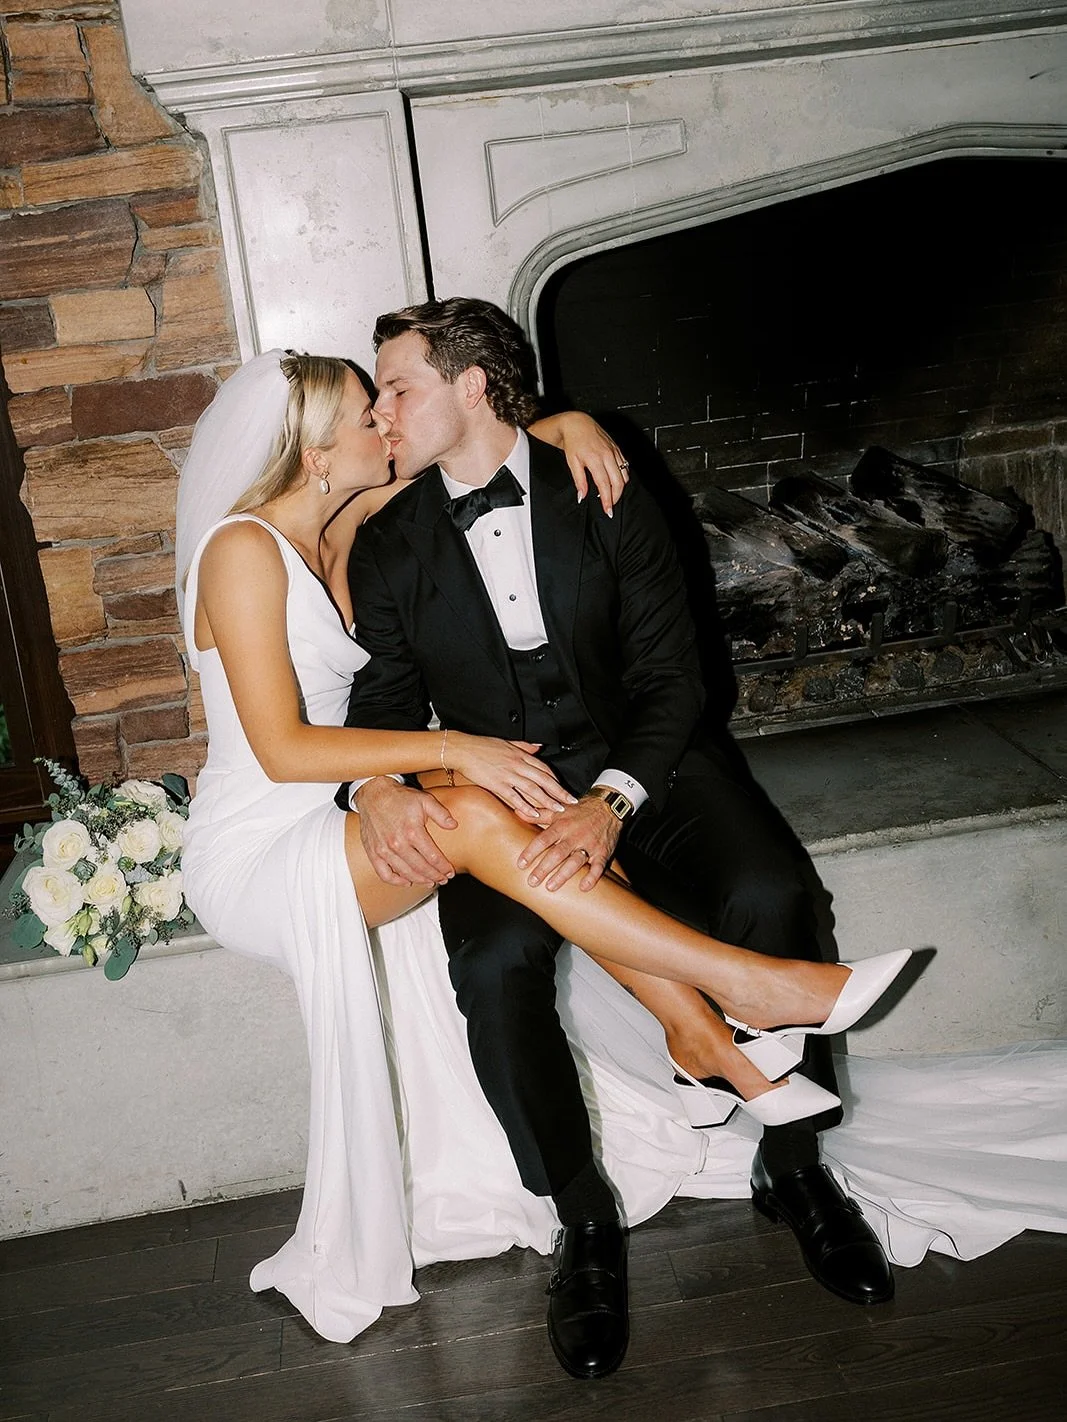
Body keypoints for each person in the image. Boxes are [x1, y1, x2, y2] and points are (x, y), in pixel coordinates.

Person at [175, 347, 911, 1372]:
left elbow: (484, 476)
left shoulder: (346, 525)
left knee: (748, 884)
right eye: (364, 410)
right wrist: (421, 763)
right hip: (269, 837)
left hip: (541, 776)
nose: (384, 423)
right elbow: (288, 746)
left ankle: (765, 1126)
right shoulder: (250, 550)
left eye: (391, 398)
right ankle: (672, 1089)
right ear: (312, 447)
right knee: (483, 883)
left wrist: (556, 428)